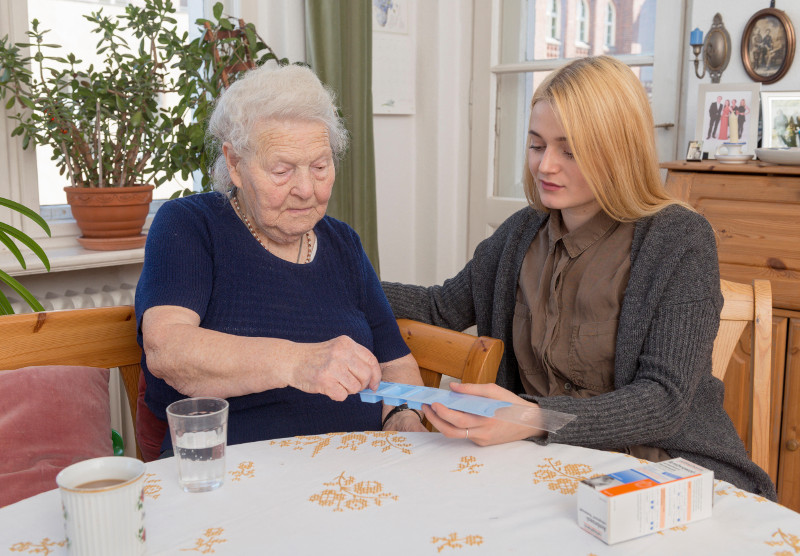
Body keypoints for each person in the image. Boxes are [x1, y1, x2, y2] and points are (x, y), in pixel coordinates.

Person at [382, 56, 776, 500]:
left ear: (618, 150)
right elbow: (439, 307)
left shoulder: (678, 240)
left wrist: (533, 417)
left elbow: (664, 400)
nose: (546, 166)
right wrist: (334, 275)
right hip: (546, 467)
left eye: (570, 151)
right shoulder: (518, 236)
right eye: (536, 145)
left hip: (662, 469)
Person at [135, 64, 427, 458]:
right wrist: (297, 362)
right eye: (282, 170)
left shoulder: (343, 243)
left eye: (320, 167)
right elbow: (168, 349)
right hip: (230, 477)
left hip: (355, 470)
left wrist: (402, 416)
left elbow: (395, 364)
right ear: (235, 164)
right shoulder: (190, 226)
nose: (306, 189)